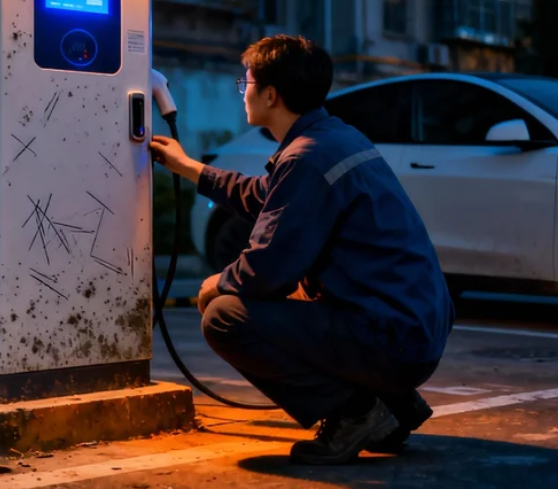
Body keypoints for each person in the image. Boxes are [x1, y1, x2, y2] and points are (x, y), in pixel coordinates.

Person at [148, 35, 454, 466]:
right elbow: (265, 196)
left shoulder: (307, 158)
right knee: (294, 296)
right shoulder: (335, 137)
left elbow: (267, 269)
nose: (244, 91)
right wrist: (190, 168)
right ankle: (396, 404)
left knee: (225, 316)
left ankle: (356, 413)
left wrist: (220, 282)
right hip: (416, 328)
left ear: (270, 94)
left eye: (247, 83)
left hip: (393, 339)